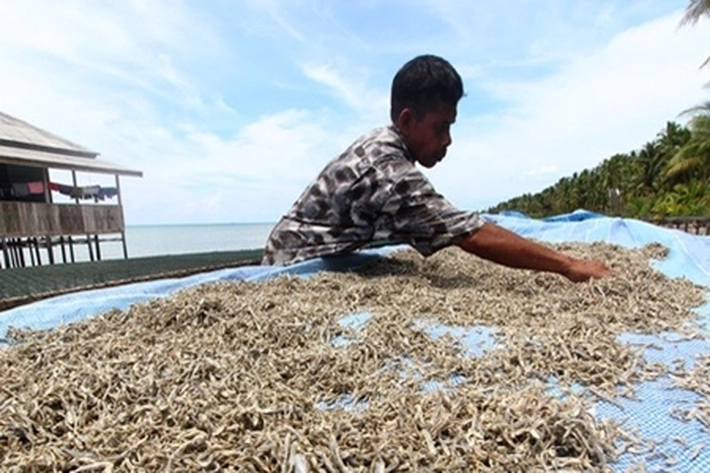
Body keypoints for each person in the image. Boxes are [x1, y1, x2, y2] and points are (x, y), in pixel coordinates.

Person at [263, 54, 610, 283]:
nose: (448, 140)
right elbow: (469, 232)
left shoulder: (382, 142)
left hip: (307, 254)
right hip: (295, 268)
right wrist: (568, 265)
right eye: (440, 127)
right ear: (407, 119)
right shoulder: (387, 169)